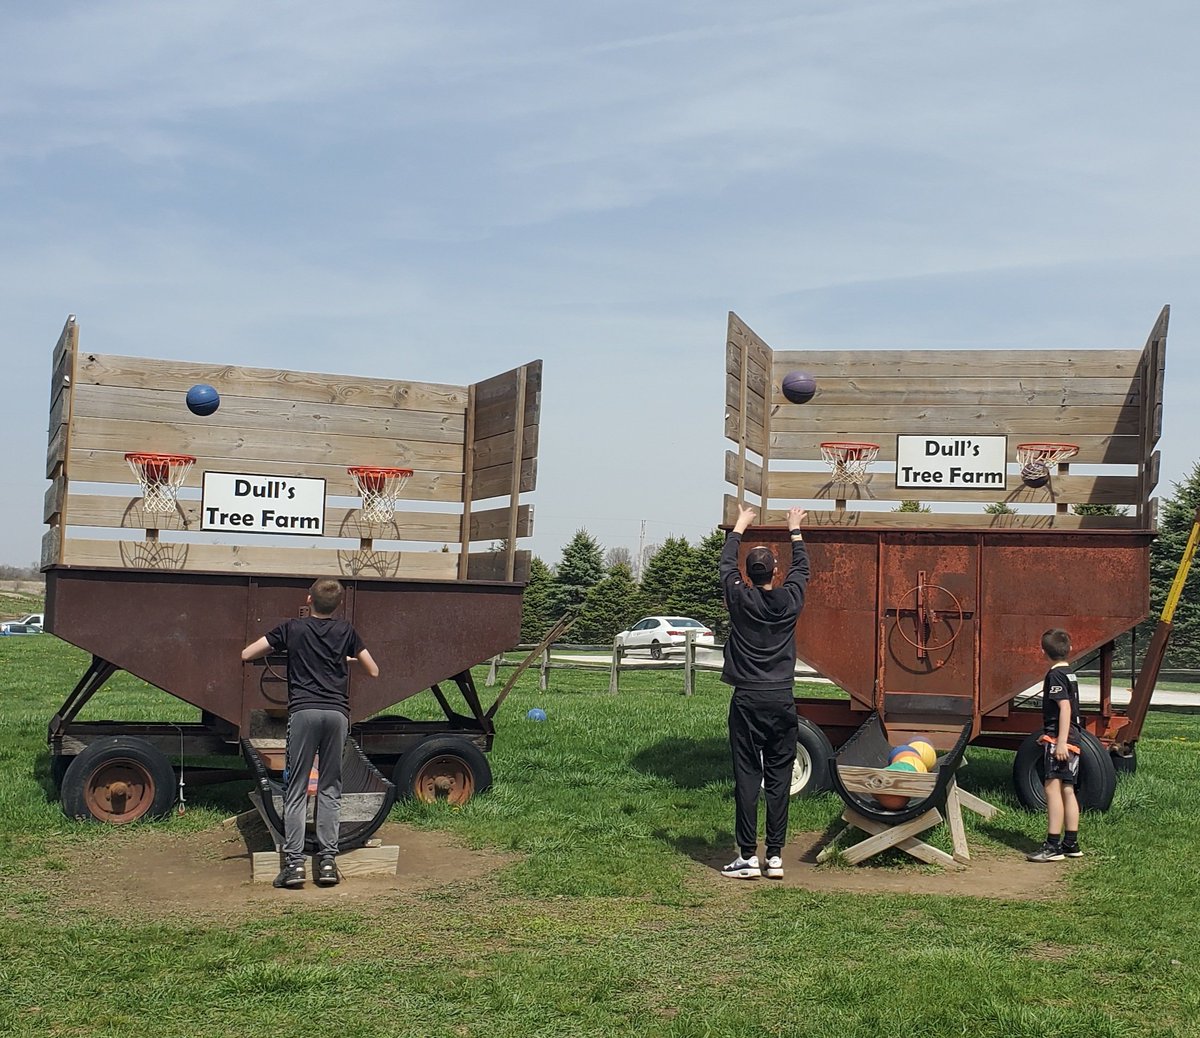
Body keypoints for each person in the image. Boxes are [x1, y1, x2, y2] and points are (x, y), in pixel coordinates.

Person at [241, 578, 379, 888]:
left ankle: (294, 865)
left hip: (303, 712)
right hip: (336, 714)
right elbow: (373, 670)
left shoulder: (292, 628)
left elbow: (248, 653)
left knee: (297, 787)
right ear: (338, 605)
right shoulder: (346, 632)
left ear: (309, 599)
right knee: (331, 785)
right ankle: (328, 862)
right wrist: (343, 658)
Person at [718, 502, 809, 880]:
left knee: (746, 776)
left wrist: (740, 525)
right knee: (778, 777)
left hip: (747, 698)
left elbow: (725, 565)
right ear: (777, 572)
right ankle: (774, 856)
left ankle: (746, 856)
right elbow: (803, 568)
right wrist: (794, 529)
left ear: (747, 575)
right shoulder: (790, 600)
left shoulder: (739, 599)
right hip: (782, 698)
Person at [1026, 627, 1084, 863]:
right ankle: (1071, 843)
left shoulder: (1055, 676)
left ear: (1042, 651)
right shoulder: (1070, 672)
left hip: (1063, 739)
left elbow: (1065, 708)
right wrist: (1050, 737)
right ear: (1069, 649)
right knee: (1068, 789)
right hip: (1072, 736)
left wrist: (1059, 742)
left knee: (1052, 788)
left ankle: (1053, 846)